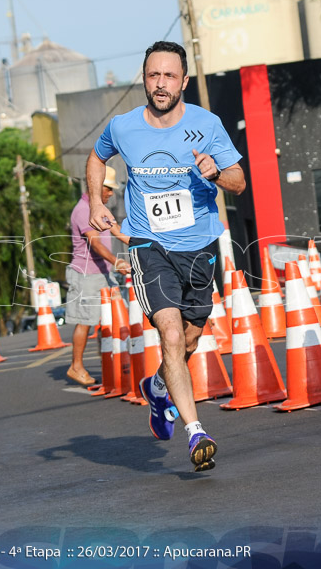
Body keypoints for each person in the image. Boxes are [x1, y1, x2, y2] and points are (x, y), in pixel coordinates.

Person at [86, 40, 245, 472]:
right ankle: (196, 432)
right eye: (153, 75)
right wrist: (97, 204)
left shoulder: (207, 124)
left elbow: (239, 181)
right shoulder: (122, 127)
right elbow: (96, 159)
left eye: (169, 76)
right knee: (171, 335)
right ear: (144, 78)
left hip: (199, 245)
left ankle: (157, 388)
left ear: (184, 81)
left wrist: (217, 172)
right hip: (147, 245)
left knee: (192, 337)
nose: (161, 84)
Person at [64, 167, 130, 385]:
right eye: (108, 188)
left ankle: (112, 364)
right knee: (86, 321)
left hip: (103, 273)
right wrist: (116, 261)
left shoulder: (99, 209)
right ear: (95, 185)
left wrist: (143, 245)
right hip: (86, 276)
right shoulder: (83, 210)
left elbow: (117, 230)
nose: (111, 193)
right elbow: (95, 243)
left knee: (115, 318)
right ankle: (76, 367)